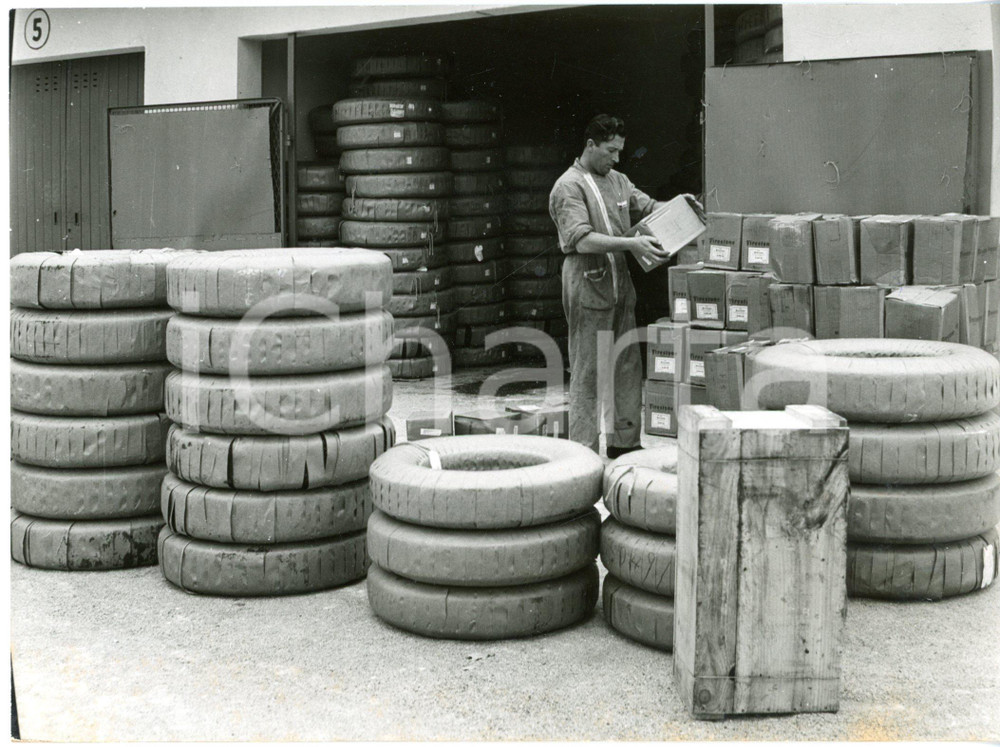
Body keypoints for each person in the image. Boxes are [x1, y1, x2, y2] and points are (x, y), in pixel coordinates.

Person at [548, 113, 701, 457]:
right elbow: (582, 240)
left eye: (620, 151)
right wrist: (631, 244)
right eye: (610, 150)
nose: (616, 158)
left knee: (627, 367)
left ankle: (624, 444)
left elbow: (648, 207)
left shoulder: (618, 181)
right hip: (588, 287)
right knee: (589, 373)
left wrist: (682, 205)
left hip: (619, 289)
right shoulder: (568, 186)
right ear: (590, 146)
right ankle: (583, 453)